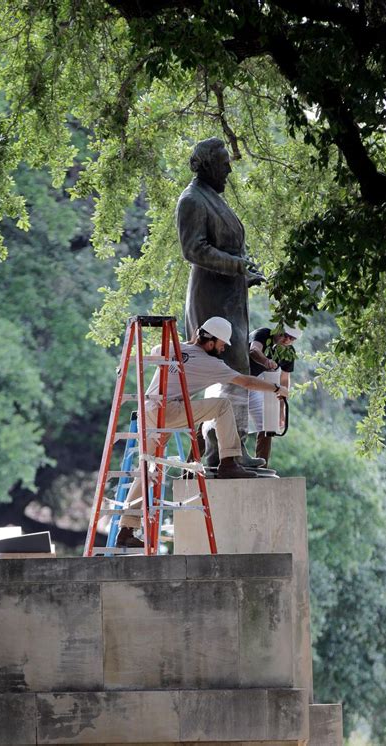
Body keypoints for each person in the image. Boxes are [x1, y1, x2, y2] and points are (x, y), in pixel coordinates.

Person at [116, 316, 288, 548]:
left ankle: (126, 529)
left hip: (149, 410)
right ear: (210, 340)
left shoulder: (173, 348)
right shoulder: (211, 364)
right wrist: (276, 388)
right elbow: (246, 382)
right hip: (168, 411)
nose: (224, 348)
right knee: (222, 405)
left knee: (148, 468)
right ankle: (229, 461)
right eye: (221, 344)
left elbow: (157, 351)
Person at [176, 137, 265, 469]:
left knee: (236, 370)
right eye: (224, 161)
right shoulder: (192, 200)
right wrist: (237, 266)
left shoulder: (211, 198)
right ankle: (220, 452)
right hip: (210, 301)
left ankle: (232, 450)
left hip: (230, 298)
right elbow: (193, 250)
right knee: (227, 371)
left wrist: (246, 271)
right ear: (207, 164)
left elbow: (229, 248)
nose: (229, 167)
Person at [248, 323, 301, 467]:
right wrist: (266, 361)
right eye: (285, 335)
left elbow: (284, 380)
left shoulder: (289, 353)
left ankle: (261, 466)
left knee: (267, 423)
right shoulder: (263, 334)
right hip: (235, 379)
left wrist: (281, 410)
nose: (287, 340)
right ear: (279, 330)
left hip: (254, 385)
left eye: (292, 338)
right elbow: (253, 351)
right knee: (213, 423)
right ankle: (193, 464)